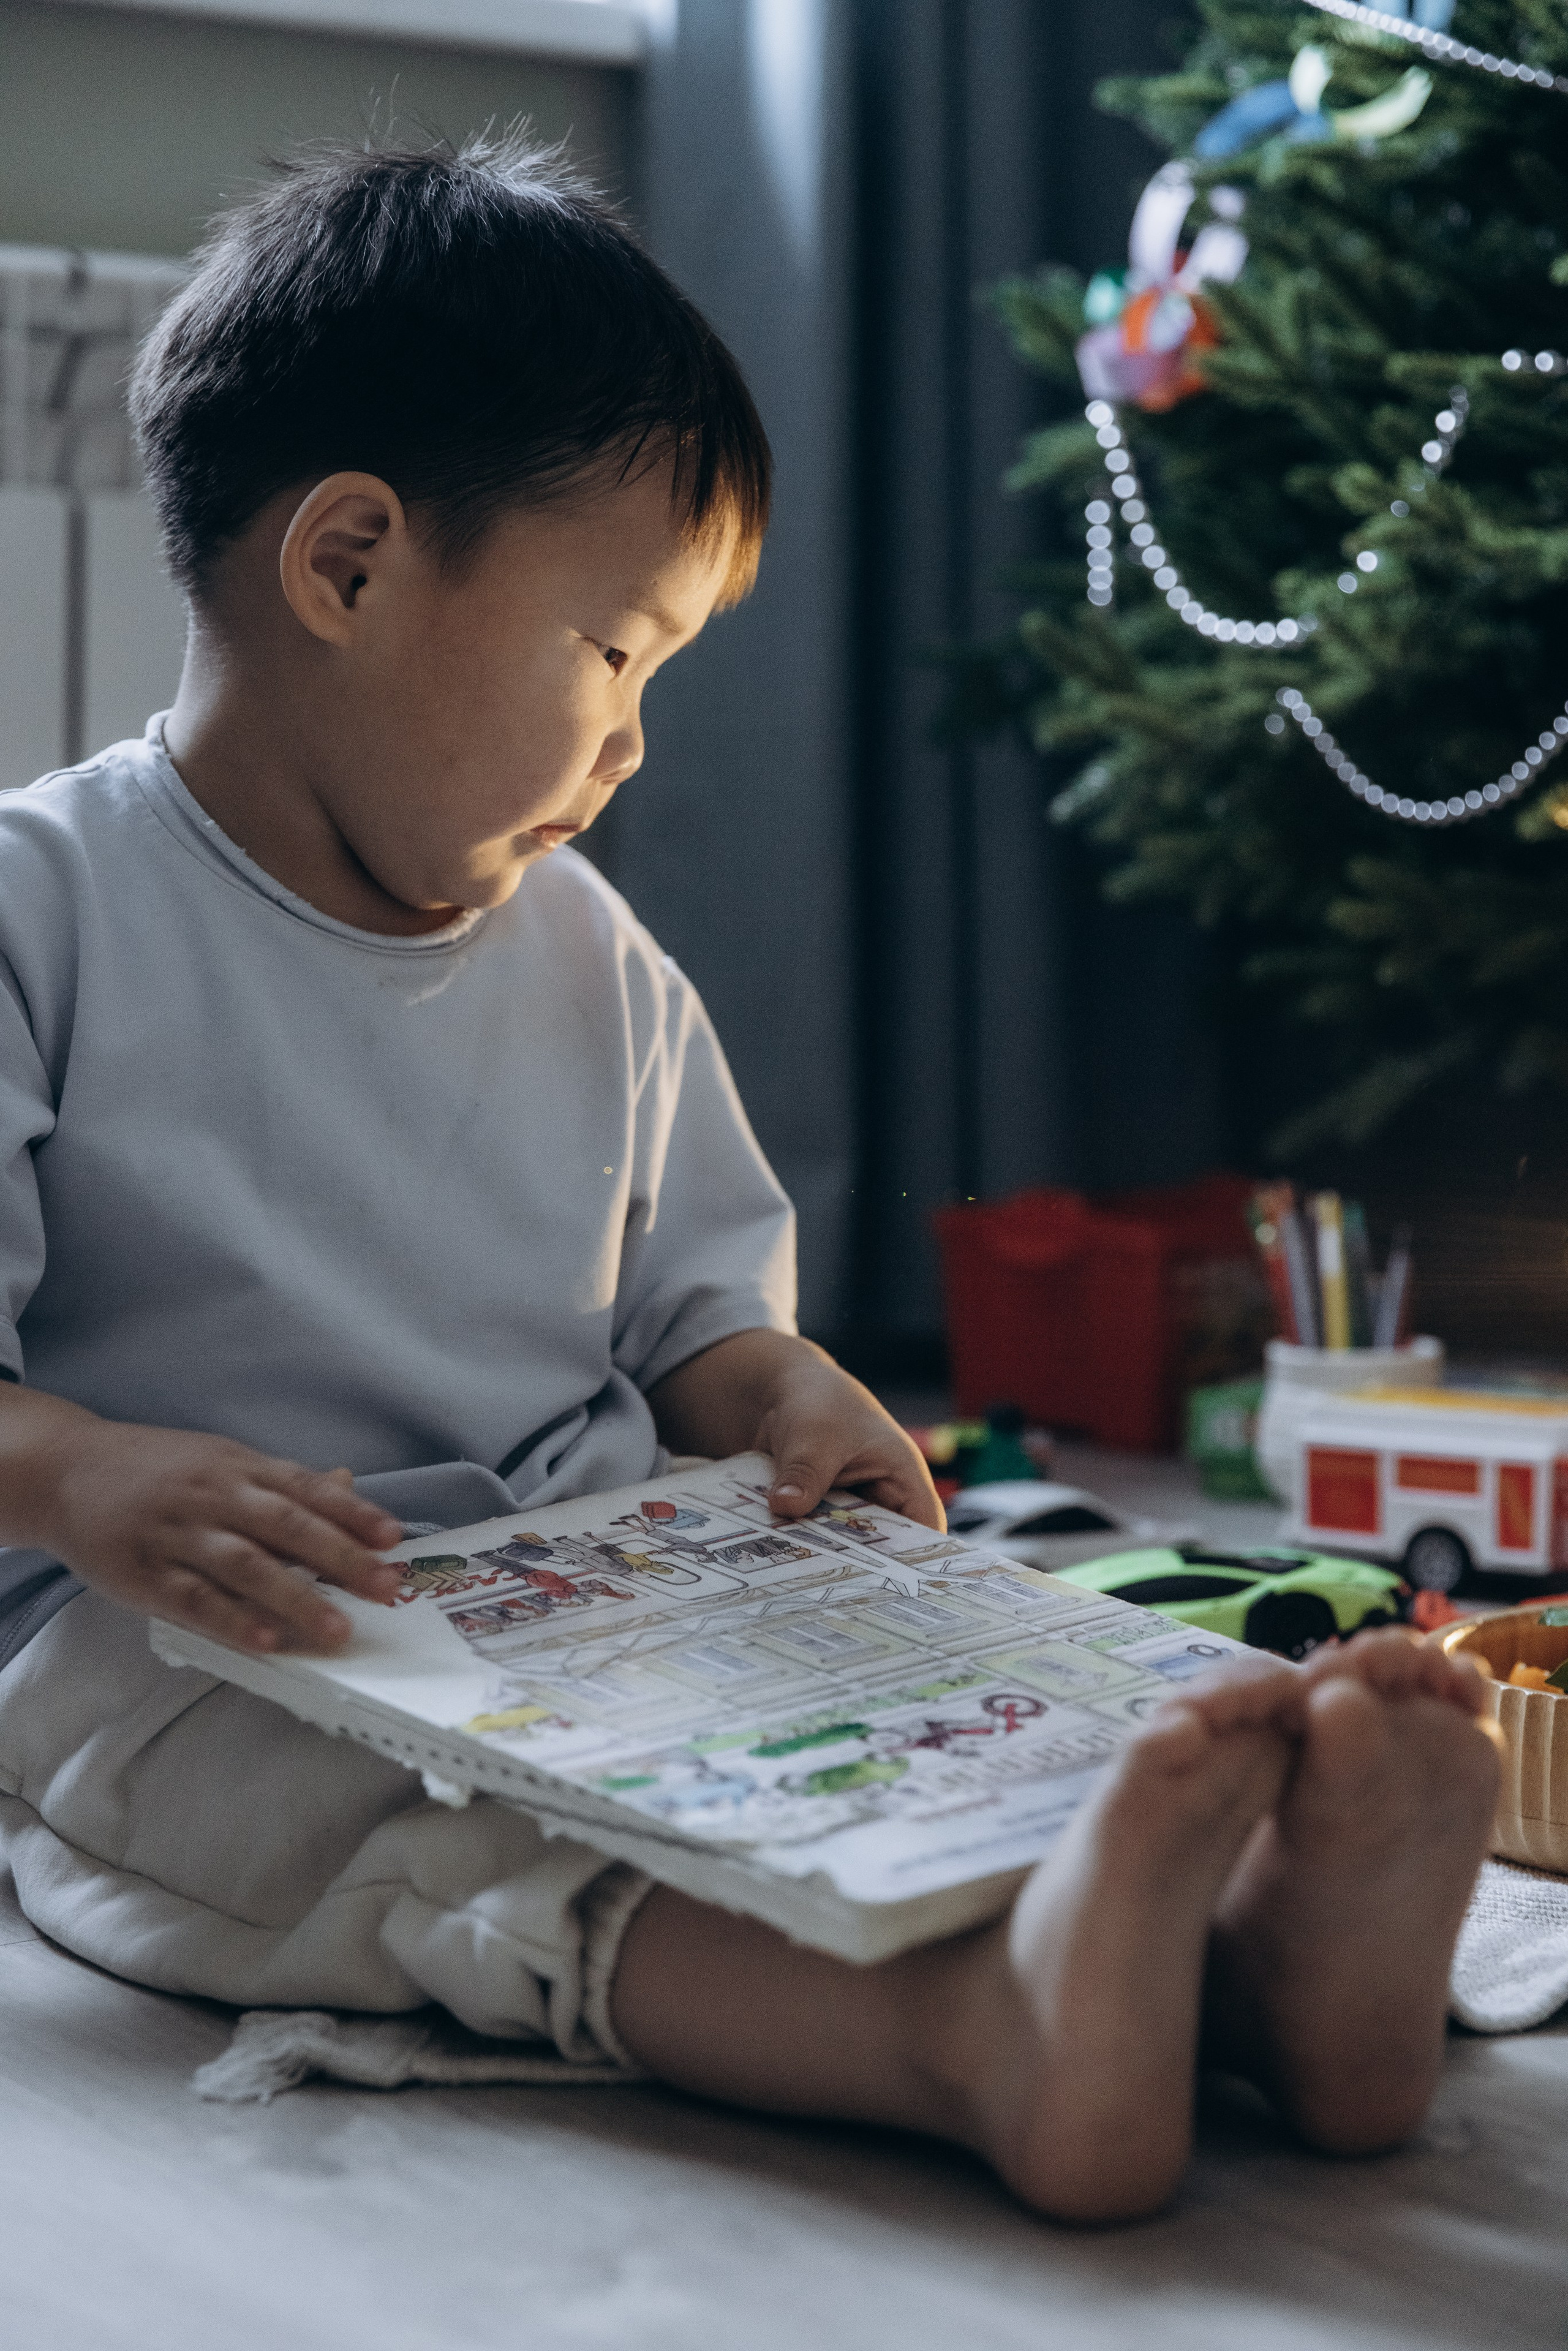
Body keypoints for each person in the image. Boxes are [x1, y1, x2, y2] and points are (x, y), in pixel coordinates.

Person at [0, 137, 1500, 2225]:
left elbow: (694, 1313)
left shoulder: (591, 955)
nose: (632, 748)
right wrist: (79, 1474)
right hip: (196, 1644)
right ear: (346, 566)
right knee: (422, 1847)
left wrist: (782, 1394)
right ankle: (970, 2039)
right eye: (615, 654)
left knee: (910, 1729)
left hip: (607, 1596)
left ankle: (1256, 1966)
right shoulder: (46, 913)